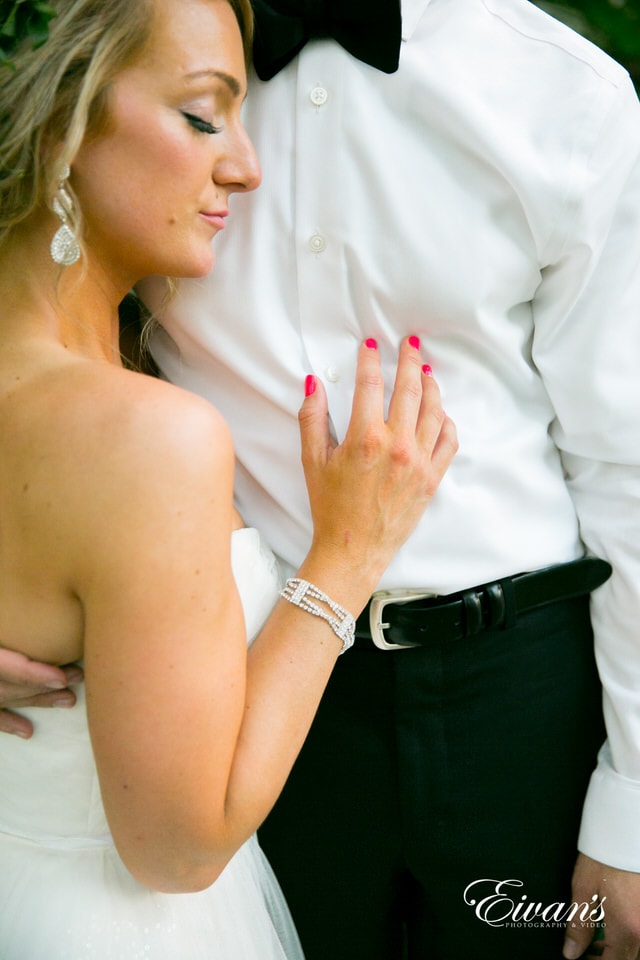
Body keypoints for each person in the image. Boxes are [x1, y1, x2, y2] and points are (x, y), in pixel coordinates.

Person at [2, 1, 639, 958]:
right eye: (207, 120)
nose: (243, 166)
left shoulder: (566, 93)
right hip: (242, 702)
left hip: (523, 693)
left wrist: (631, 807)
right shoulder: (168, 35)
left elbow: (625, 461)